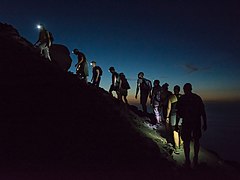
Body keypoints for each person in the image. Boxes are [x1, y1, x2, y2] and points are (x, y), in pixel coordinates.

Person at [177, 83, 207, 167]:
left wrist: (177, 123)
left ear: (184, 89)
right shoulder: (197, 98)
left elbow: (179, 112)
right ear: (191, 88)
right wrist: (205, 122)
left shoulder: (182, 98)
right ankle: (195, 158)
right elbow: (202, 111)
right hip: (196, 122)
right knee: (196, 140)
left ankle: (187, 160)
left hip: (186, 122)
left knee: (186, 141)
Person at [166, 85, 183, 154]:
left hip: (173, 115)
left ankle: (176, 147)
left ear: (174, 90)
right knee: (181, 130)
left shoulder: (171, 97)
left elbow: (169, 108)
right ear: (179, 90)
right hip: (181, 115)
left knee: (175, 131)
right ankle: (181, 145)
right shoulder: (182, 97)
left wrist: (167, 117)